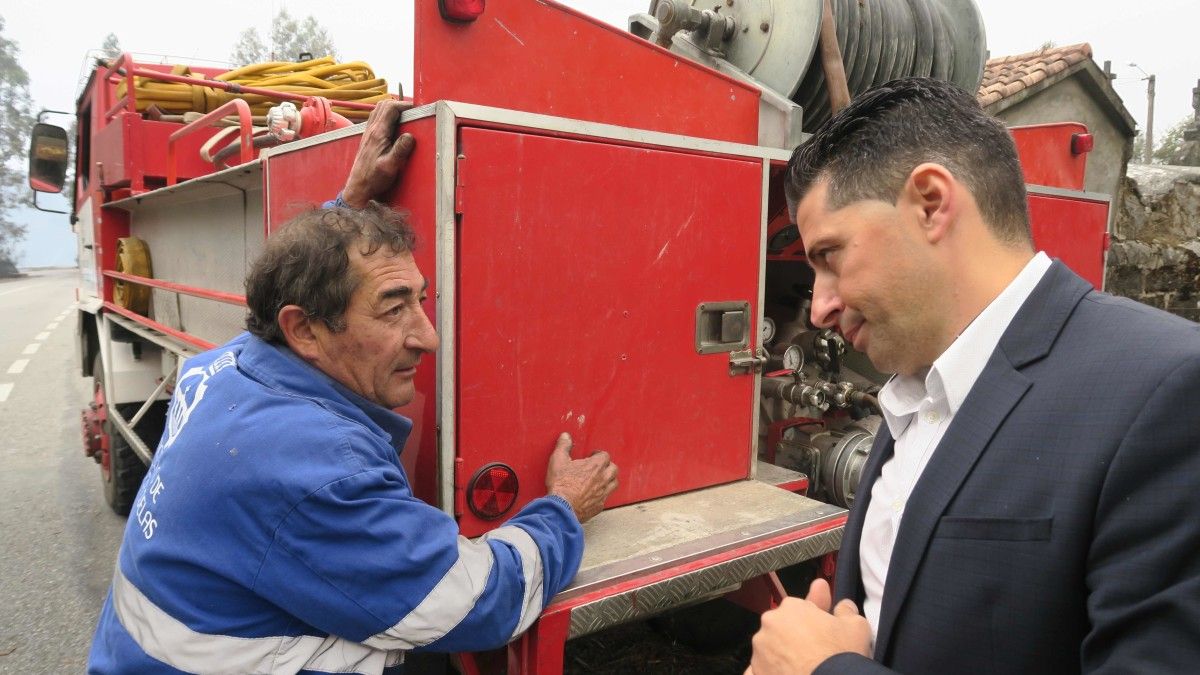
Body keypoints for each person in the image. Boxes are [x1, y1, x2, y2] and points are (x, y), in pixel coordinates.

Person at [88, 100, 619, 673]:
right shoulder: (321, 473)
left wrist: (348, 207)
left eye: (420, 298)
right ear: (306, 329)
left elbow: (295, 290)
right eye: (393, 310)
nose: (429, 337)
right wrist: (564, 508)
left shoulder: (229, 368)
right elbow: (480, 603)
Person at [746, 77, 1200, 674]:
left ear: (931, 203)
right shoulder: (915, 389)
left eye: (830, 257)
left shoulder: (1167, 390)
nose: (821, 307)